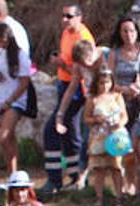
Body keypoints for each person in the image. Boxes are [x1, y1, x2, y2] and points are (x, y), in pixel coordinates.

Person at [103, 16, 140, 199]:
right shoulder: (114, 54)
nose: (128, 35)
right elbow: (108, 81)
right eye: (125, 31)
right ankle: (129, 185)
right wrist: (125, 89)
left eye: (131, 30)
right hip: (123, 104)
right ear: (119, 33)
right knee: (127, 147)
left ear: (137, 32)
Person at [40, 5, 96, 195]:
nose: (65, 19)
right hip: (65, 84)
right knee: (69, 133)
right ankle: (75, 175)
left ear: (80, 17)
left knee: (52, 130)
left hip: (79, 90)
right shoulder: (67, 32)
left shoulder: (83, 38)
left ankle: (54, 179)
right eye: (63, 15)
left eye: (69, 16)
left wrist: (61, 64)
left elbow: (81, 71)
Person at [78, 67, 129, 205]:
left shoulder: (117, 96)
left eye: (107, 83)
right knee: (99, 168)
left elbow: (124, 115)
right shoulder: (92, 99)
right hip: (99, 137)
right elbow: (86, 118)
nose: (105, 86)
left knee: (116, 167)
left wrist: (120, 124)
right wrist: (96, 120)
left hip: (115, 136)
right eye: (101, 83)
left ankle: (119, 196)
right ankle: (99, 197)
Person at [0, 24, 33, 175]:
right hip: (0, 97)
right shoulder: (0, 53)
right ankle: (12, 171)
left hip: (15, 100)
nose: (0, 43)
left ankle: (12, 170)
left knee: (4, 136)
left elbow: (24, 82)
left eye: (2, 39)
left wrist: (10, 100)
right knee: (9, 138)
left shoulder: (20, 55)